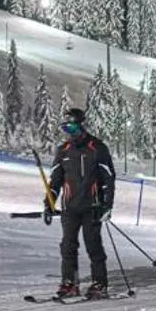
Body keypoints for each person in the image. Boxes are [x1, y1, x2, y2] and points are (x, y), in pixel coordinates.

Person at [45, 108, 115, 298]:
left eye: (73, 129)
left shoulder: (97, 148)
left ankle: (99, 283)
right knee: (67, 246)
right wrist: (49, 204)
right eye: (66, 129)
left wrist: (107, 205)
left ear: (82, 126)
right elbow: (55, 180)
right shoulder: (64, 151)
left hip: (92, 207)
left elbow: (108, 179)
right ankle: (69, 283)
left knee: (93, 245)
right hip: (70, 207)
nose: (69, 134)